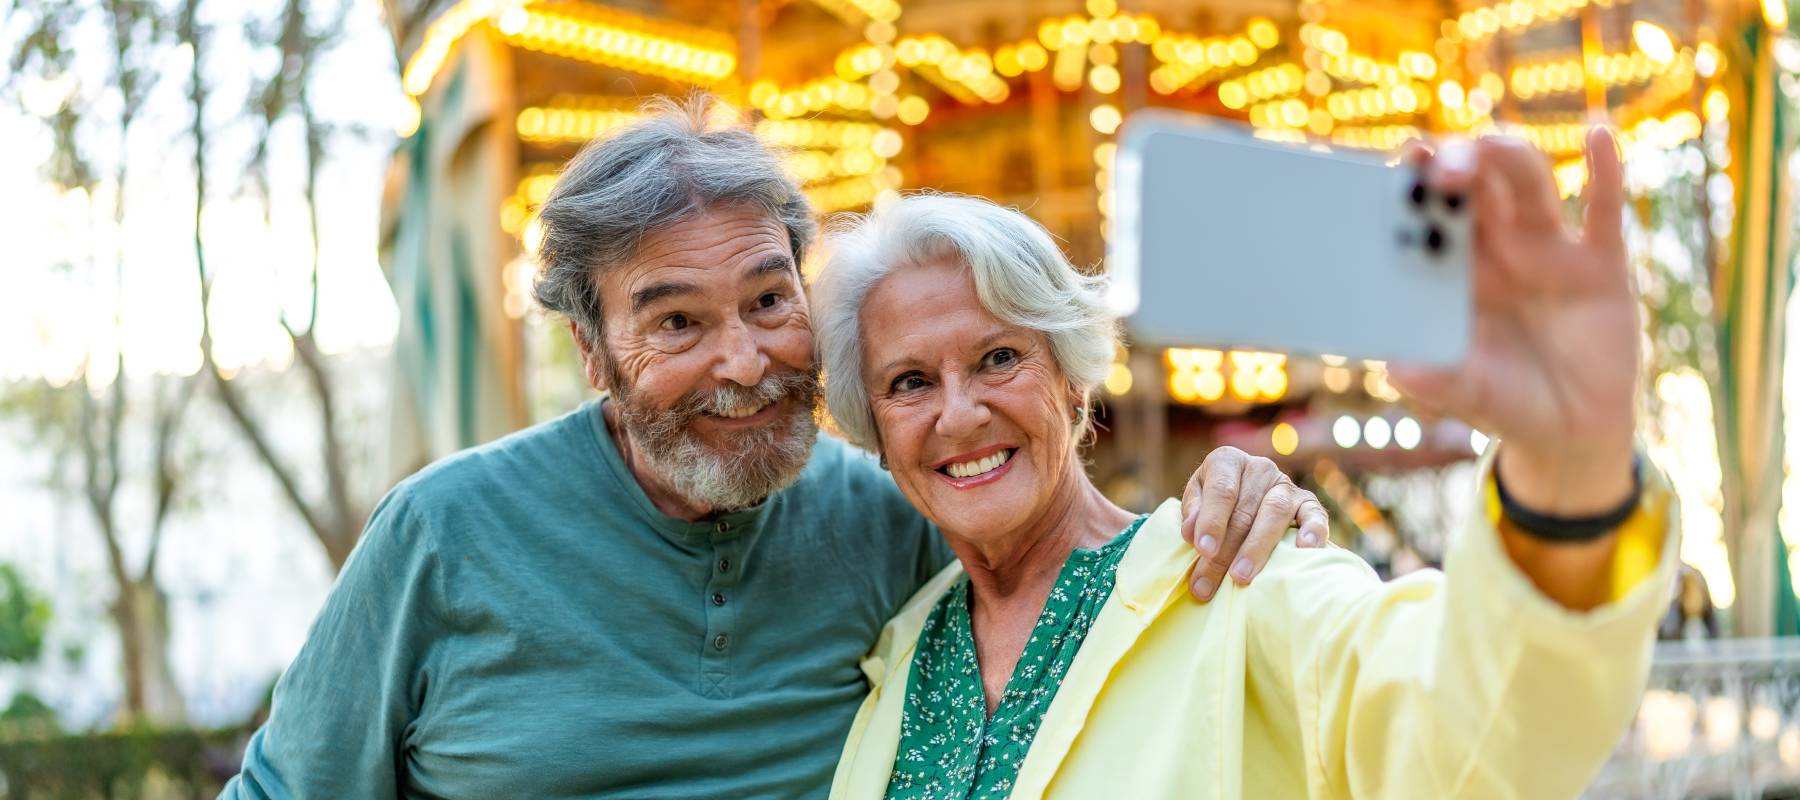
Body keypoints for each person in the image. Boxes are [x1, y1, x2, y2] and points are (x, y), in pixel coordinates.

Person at [219, 96, 1328, 799]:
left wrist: (1241, 490)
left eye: (766, 299)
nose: (744, 361)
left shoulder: (893, 521)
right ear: (592, 351)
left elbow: (1080, 579)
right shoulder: (445, 532)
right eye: (675, 322)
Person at [821, 130, 1677, 798]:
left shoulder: (1237, 569)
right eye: (909, 382)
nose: (958, 413)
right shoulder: (901, 650)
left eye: (1000, 358)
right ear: (877, 431)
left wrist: (1570, 474)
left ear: (1075, 383)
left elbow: (1469, 740)